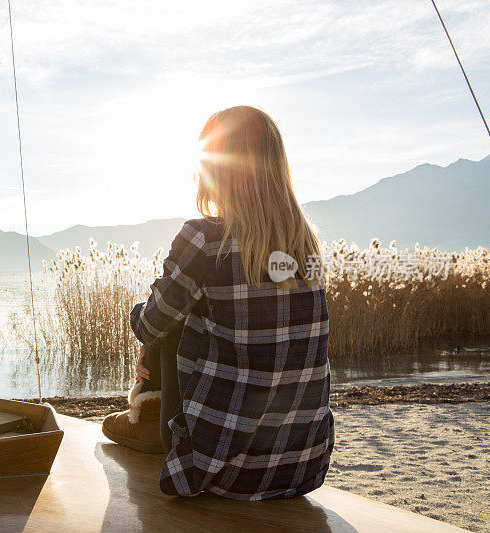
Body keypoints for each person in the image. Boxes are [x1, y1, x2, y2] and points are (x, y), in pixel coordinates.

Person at [102, 106, 334, 500]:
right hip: (304, 465)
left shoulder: (204, 239)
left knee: (167, 322)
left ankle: (152, 418)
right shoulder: (306, 244)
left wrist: (140, 317)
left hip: (220, 471)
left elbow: (150, 325)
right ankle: (153, 416)